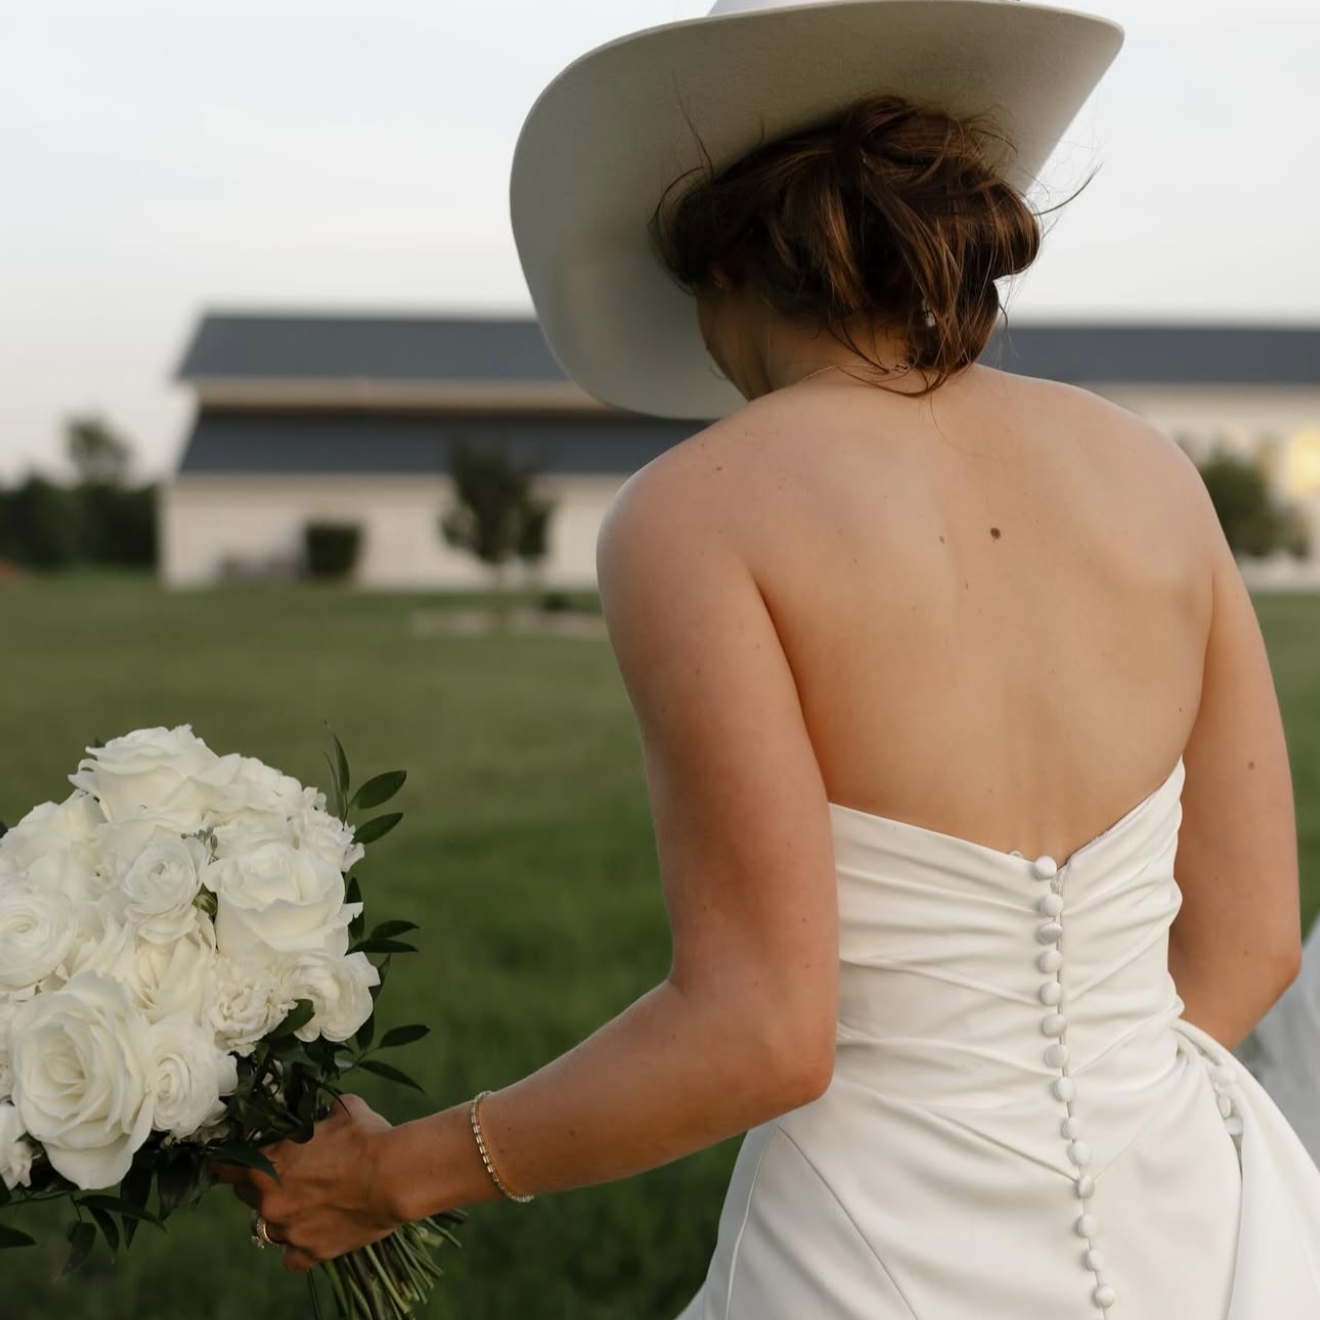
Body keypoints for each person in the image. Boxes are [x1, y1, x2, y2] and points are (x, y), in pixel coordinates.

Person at [216, 1, 1320, 1315]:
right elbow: (1253, 948)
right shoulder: (1155, 474)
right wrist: (1070, 1102)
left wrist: (395, 1173)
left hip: (872, 1258)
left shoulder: (697, 513)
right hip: (1205, 1227)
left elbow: (761, 1032)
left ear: (727, 270)